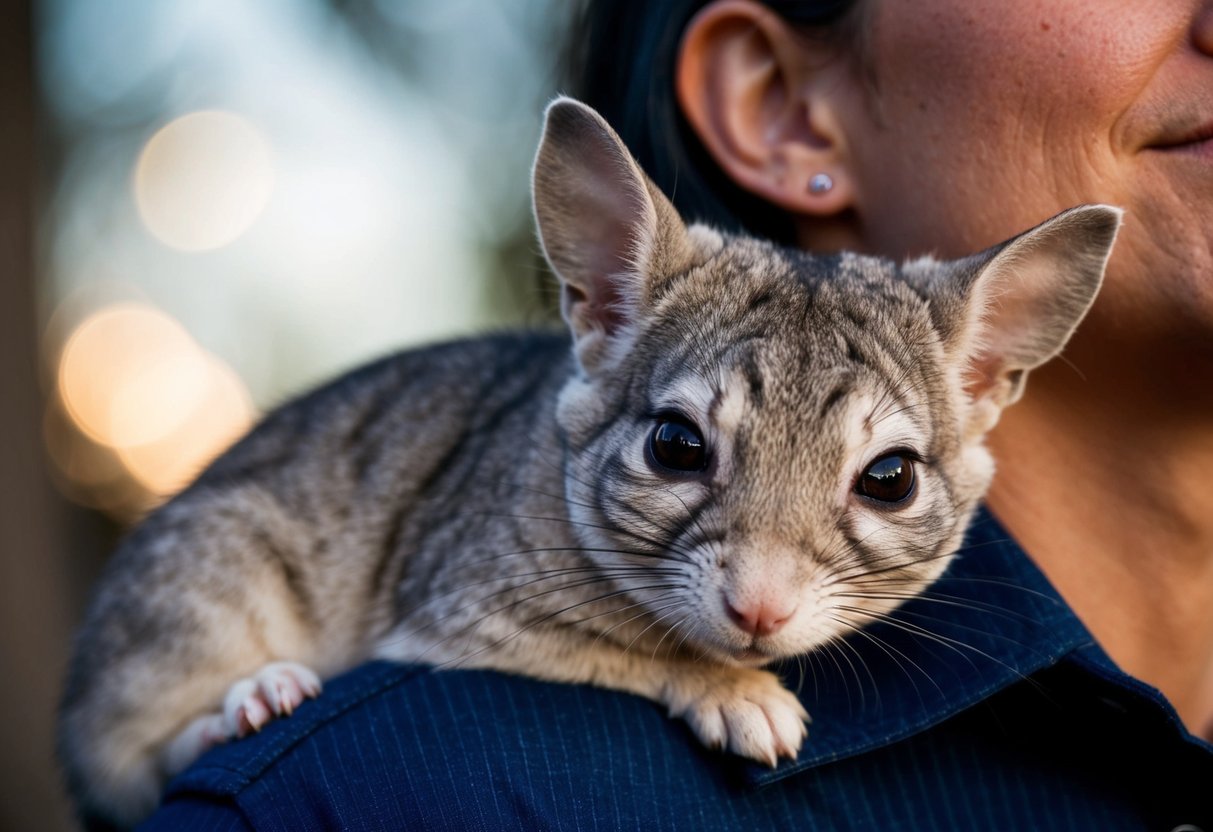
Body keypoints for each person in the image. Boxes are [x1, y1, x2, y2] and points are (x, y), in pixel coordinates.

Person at [138, 0, 1213, 827]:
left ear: (987, 371)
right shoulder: (376, 794)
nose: (759, 589)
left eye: (883, 477)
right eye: (684, 447)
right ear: (781, 106)